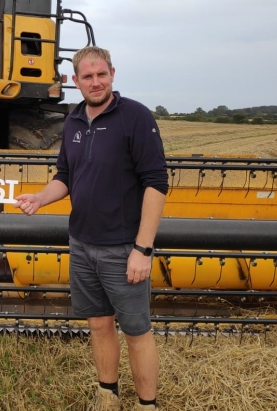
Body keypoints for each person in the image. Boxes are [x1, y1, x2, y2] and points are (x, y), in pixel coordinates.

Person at [14, 46, 168, 411]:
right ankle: (107, 397)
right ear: (75, 81)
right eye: (87, 76)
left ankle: (148, 405)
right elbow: (65, 178)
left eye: (101, 75)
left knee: (136, 332)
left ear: (112, 74)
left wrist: (142, 249)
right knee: (99, 326)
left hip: (123, 248)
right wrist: (39, 198)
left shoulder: (135, 117)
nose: (95, 82)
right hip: (82, 243)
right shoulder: (73, 121)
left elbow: (156, 182)